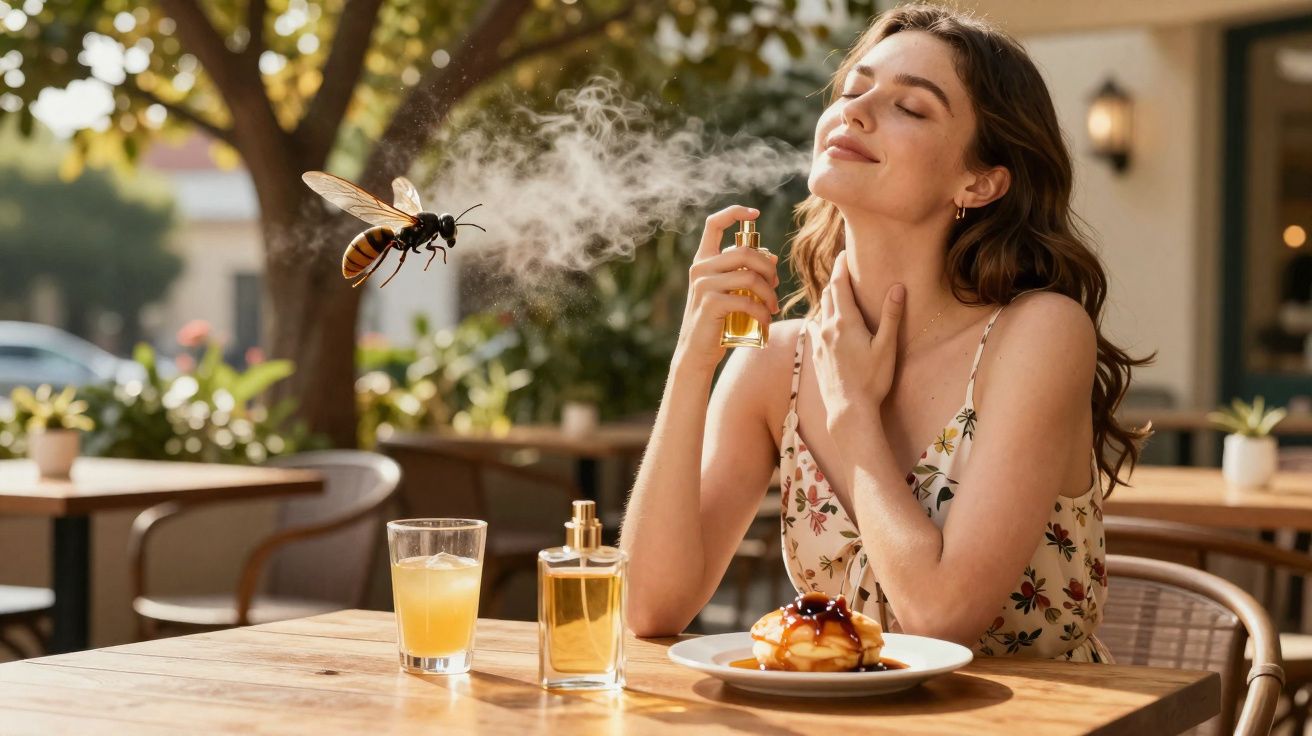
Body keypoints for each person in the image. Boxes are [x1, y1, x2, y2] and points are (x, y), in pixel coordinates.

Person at [619, 3, 1151, 661]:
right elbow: (649, 608)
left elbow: (939, 619)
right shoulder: (777, 363)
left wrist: (852, 413)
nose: (856, 111)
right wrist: (692, 363)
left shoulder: (1037, 335)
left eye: (913, 107)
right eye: (853, 89)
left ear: (980, 182)